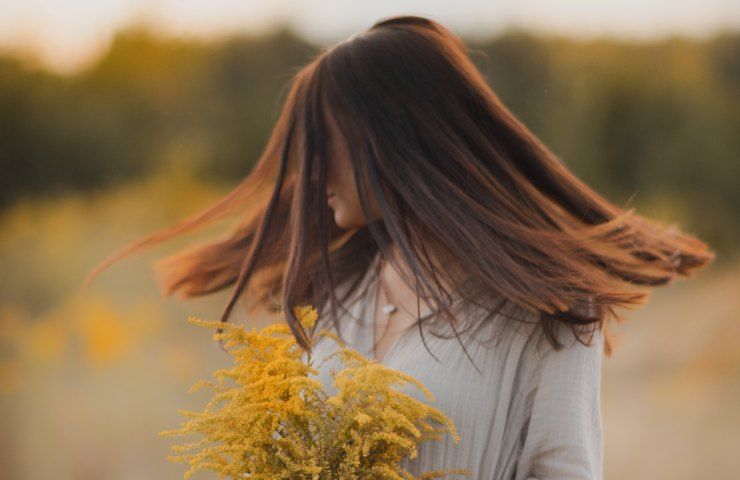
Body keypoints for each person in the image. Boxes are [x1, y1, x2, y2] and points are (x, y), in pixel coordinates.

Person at [86, 15, 715, 479]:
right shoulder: (335, 296)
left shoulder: (549, 308)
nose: (309, 176)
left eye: (320, 149)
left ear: (385, 142)